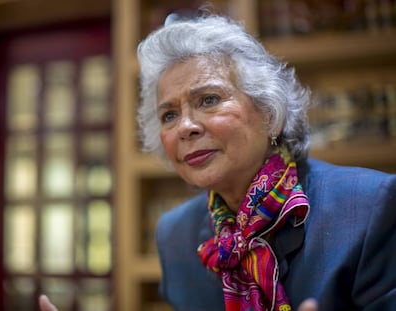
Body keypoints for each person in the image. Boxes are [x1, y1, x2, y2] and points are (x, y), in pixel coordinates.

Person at [39, 12, 396, 311]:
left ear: (271, 113)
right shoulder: (175, 235)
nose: (186, 127)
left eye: (209, 99)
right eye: (168, 115)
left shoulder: (369, 206)